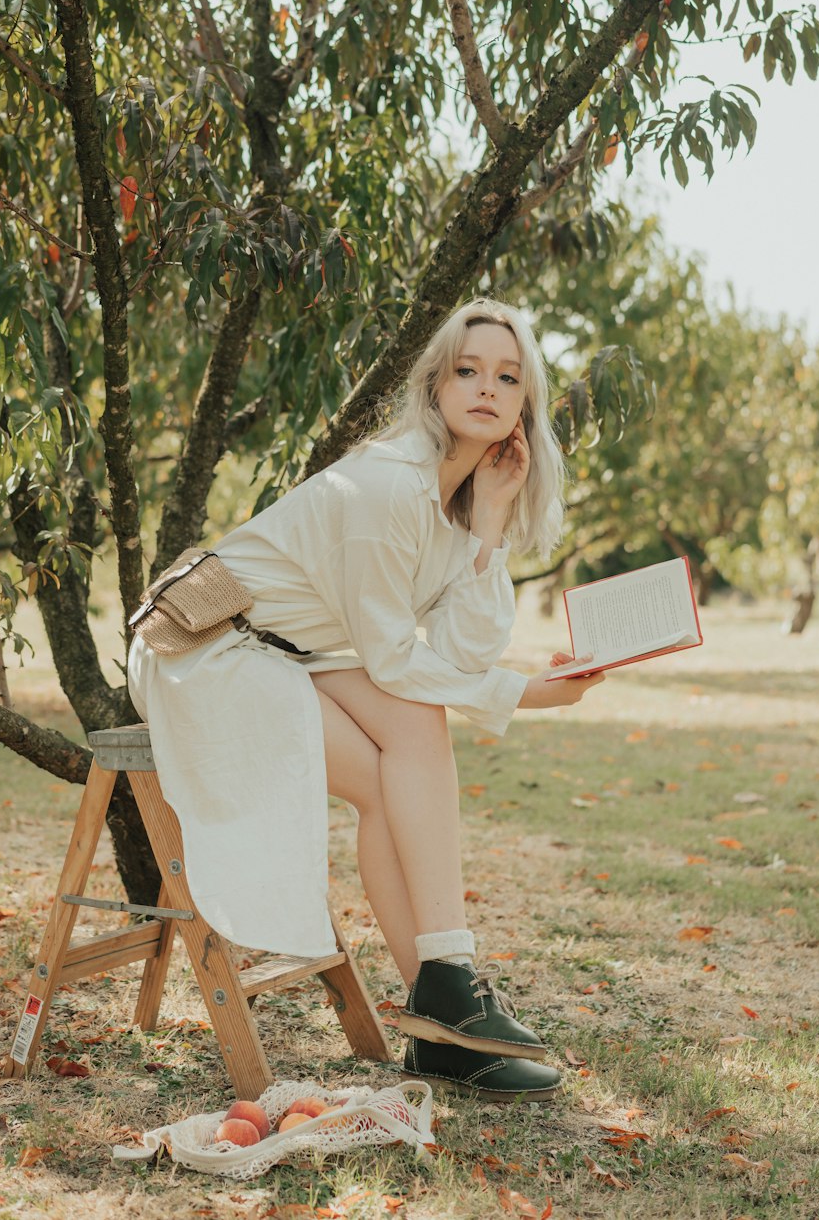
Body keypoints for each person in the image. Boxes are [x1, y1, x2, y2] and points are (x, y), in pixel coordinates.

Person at [127, 296, 604, 1103]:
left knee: (414, 728)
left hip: (279, 650)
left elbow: (455, 656)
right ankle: (449, 995)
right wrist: (527, 693)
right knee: (396, 758)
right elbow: (395, 659)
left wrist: (488, 520)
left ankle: (445, 1005)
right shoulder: (388, 486)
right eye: (468, 369)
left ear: (525, 404)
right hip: (202, 651)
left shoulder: (451, 505)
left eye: (508, 377)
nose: (486, 387)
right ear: (435, 384)